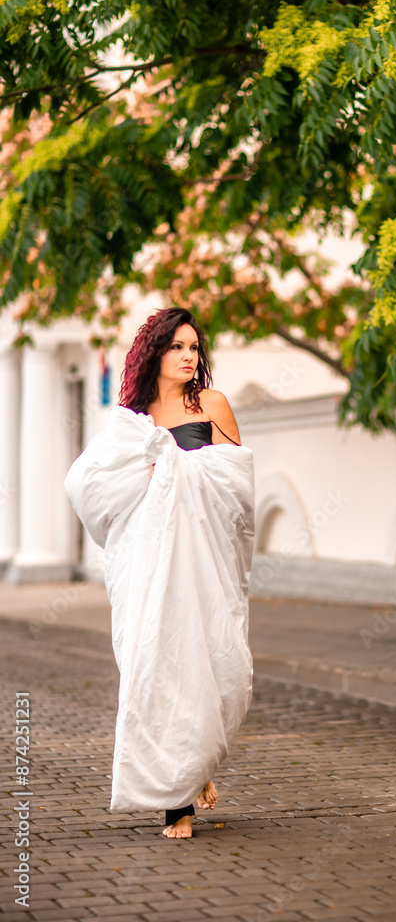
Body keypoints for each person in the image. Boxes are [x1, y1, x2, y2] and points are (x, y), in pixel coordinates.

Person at [65, 306, 255, 841]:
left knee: (207, 660)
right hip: (147, 563)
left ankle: (197, 762)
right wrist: (145, 473)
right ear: (155, 352)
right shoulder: (132, 419)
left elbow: (236, 488)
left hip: (201, 560)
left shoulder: (212, 405)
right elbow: (87, 485)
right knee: (156, 662)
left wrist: (176, 467)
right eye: (177, 347)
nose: (189, 356)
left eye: (194, 348)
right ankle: (178, 801)